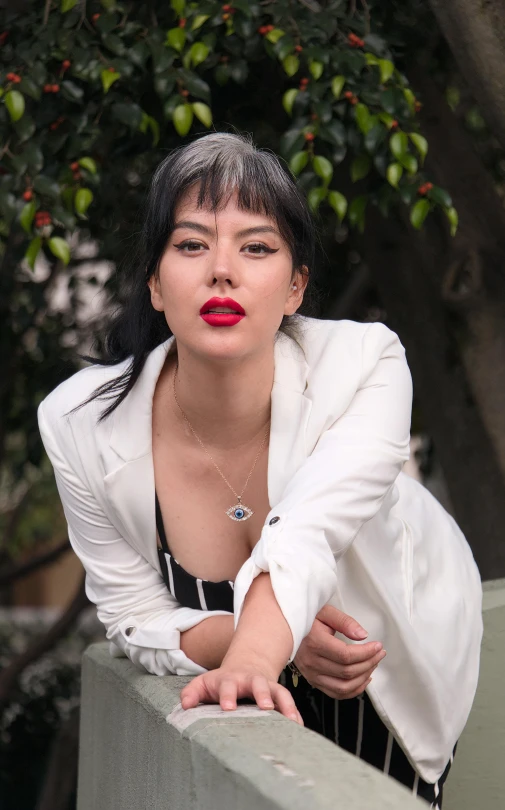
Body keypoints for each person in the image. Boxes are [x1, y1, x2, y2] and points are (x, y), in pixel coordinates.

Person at [37, 132, 482, 807]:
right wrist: (270, 647)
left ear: (295, 285)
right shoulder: (78, 422)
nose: (222, 271)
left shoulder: (365, 364)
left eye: (256, 247)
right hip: (235, 662)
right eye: (190, 245)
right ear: (155, 283)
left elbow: (306, 530)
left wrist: (252, 657)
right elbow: (130, 612)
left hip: (381, 664)